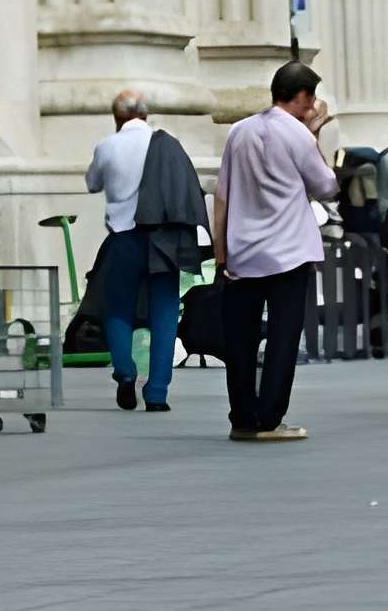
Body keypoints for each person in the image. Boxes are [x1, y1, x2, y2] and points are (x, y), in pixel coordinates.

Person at [213, 60, 340, 444]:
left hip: (243, 252)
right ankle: (269, 417)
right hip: (288, 252)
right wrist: (314, 133)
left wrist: (221, 254)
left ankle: (242, 417)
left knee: (240, 340)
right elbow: (327, 185)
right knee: (283, 336)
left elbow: (222, 196)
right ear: (302, 96)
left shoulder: (240, 132)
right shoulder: (297, 135)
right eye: (312, 97)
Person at [83, 90, 201, 413]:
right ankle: (157, 393)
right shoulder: (168, 145)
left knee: (117, 308)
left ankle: (125, 373)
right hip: (164, 239)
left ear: (116, 117)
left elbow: (92, 183)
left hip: (124, 239)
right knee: (164, 313)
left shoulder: (108, 146)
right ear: (146, 116)